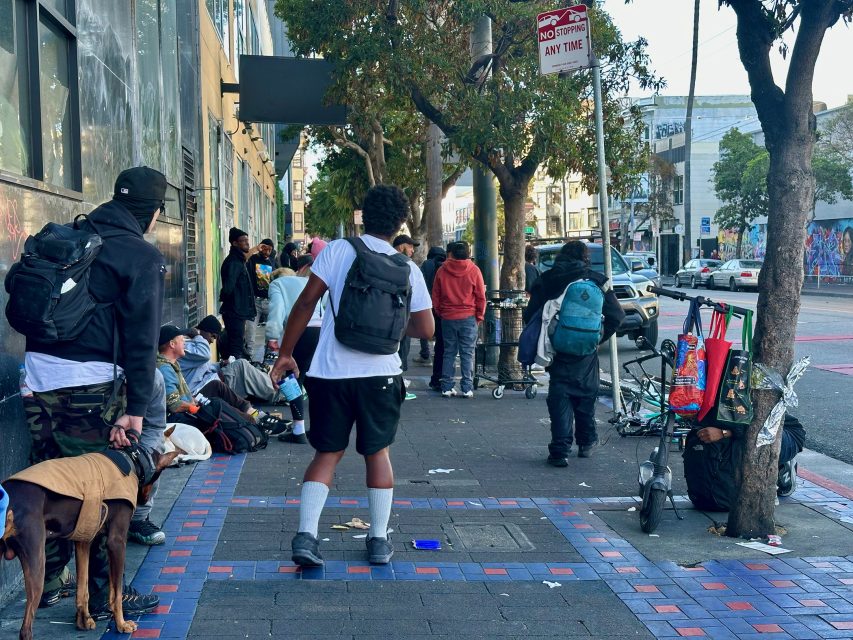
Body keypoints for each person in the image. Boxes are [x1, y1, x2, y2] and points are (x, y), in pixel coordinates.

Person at [21, 166, 166, 617]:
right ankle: (106, 595)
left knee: (49, 479)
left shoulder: (74, 234)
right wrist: (136, 409)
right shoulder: (140, 255)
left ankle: (47, 582)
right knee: (100, 487)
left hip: (35, 379)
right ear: (152, 212)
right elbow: (143, 340)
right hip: (89, 387)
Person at [269, 184, 434, 568]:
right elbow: (426, 329)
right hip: (382, 375)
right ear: (400, 223)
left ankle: (306, 536)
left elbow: (306, 302)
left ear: (364, 214)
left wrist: (286, 354)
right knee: (378, 453)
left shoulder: (339, 251)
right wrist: (388, 328)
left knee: (326, 453)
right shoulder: (407, 267)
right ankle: (377, 540)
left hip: (329, 374)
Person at [524, 241, 625, 466]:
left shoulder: (548, 279)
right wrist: (597, 337)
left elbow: (530, 315)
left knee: (560, 395)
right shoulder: (597, 281)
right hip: (587, 351)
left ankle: (560, 450)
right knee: (586, 394)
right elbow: (617, 316)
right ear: (585, 257)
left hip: (557, 350)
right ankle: (586, 443)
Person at [157, 325, 289, 435]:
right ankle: (254, 423)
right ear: (172, 344)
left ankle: (255, 415)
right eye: (181, 340)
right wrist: (195, 406)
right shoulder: (165, 369)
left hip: (191, 399)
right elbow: (174, 405)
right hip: (182, 415)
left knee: (217, 386)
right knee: (217, 404)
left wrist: (194, 400)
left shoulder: (173, 363)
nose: (185, 343)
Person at [684, 414, 806, 511]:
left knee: (751, 443)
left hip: (783, 430)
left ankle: (779, 465)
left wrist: (724, 432)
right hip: (738, 427)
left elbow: (760, 424)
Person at [265, 259, 327, 444]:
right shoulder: (307, 281)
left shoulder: (277, 284)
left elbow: (277, 310)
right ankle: (319, 427)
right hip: (320, 330)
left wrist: (272, 336)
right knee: (310, 379)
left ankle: (298, 430)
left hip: (300, 331)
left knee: (292, 379)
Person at [179, 315, 280, 404]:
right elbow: (205, 355)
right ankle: (276, 392)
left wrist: (220, 364)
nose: (212, 341)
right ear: (204, 331)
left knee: (245, 370)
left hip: (209, 383)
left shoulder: (195, 348)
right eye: (212, 336)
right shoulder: (187, 347)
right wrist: (198, 336)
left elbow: (203, 367)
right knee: (241, 366)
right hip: (200, 390)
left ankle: (273, 388)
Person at [432, 241, 486, 398]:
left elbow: (436, 295)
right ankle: (467, 388)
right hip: (468, 316)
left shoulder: (442, 270)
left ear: (452, 254)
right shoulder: (474, 270)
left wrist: (440, 312)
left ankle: (446, 386)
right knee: (467, 353)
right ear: (468, 254)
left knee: (449, 352)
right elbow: (480, 296)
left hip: (447, 316)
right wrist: (479, 316)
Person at [129, 369, 168, 546]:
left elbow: (154, 426)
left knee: (151, 458)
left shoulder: (152, 376)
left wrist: (143, 458)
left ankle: (138, 519)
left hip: (134, 438)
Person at [219, 227, 258, 360]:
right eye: (243, 241)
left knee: (237, 346)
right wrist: (230, 303)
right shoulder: (234, 262)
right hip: (234, 311)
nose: (247, 243)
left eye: (247, 240)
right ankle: (234, 371)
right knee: (235, 349)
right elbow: (228, 288)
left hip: (237, 311)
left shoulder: (239, 260)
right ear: (235, 243)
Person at [393, 234, 419, 393]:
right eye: (410, 247)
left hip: (388, 315)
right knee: (402, 348)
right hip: (403, 315)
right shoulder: (408, 266)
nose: (412, 251)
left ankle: (396, 380)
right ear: (402, 246)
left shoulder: (383, 259)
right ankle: (399, 383)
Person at [415, 246, 447, 373]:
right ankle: (438, 353)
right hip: (441, 303)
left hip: (427, 301)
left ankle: (425, 354)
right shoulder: (446, 265)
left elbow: (420, 282)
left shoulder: (426, 264)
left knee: (423, 327)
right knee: (440, 331)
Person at [248, 238, 276, 330]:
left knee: (272, 330)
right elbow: (243, 258)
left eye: (270, 250)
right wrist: (256, 248)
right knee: (250, 330)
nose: (267, 252)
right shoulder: (252, 259)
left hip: (269, 300)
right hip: (255, 301)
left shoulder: (272, 261)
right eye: (265, 249)